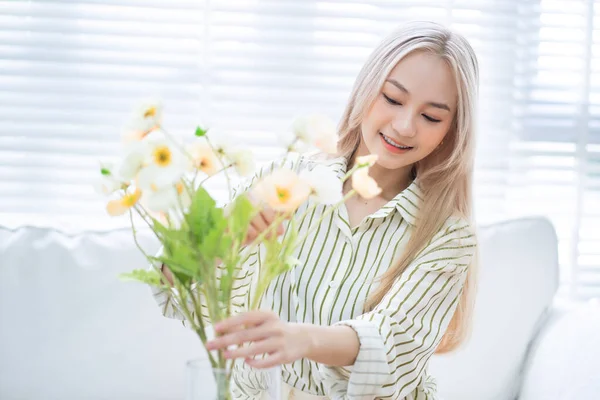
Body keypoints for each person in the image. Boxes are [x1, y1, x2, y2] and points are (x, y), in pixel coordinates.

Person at [153, 21, 479, 400]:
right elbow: (175, 290)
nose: (405, 126)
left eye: (431, 117)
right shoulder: (285, 183)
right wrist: (223, 235)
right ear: (365, 90)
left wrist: (301, 338)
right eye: (392, 98)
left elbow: (395, 347)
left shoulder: (447, 235)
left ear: (452, 131)